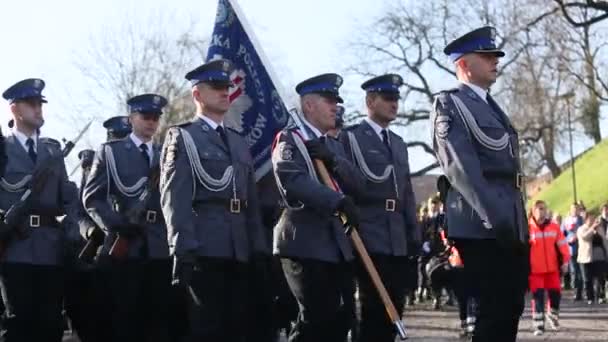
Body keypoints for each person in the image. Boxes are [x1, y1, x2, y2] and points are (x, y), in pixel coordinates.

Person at [430, 26, 529, 342]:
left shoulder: (489, 105)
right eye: (486, 56)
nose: (494, 61)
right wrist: (496, 217)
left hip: (507, 218)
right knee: (493, 311)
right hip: (482, 223)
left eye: (495, 55)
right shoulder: (451, 104)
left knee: (509, 307)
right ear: (463, 64)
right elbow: (462, 169)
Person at [161, 59, 266, 341]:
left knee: (238, 329)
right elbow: (175, 197)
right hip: (204, 247)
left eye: (227, 87)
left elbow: (250, 202)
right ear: (197, 94)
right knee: (208, 330)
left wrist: (258, 247)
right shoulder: (183, 137)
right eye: (217, 87)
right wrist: (182, 247)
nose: (225, 92)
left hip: (239, 247)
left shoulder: (238, 141)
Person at [272, 73, 366, 342]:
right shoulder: (290, 139)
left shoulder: (333, 145)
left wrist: (333, 160)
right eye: (328, 100)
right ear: (309, 105)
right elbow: (293, 180)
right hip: (303, 243)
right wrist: (336, 200)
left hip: (337, 246)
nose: (335, 106)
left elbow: (360, 185)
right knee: (316, 321)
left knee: (342, 320)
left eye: (336, 101)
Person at [83, 94, 176, 342]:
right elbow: (92, 198)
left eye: (156, 117)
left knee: (158, 321)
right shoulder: (111, 152)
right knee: (125, 319)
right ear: (131, 118)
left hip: (159, 247)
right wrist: (117, 224)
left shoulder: (166, 155)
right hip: (125, 248)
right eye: (146, 116)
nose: (151, 122)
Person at [338, 74, 419, 342]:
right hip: (368, 233)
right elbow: (346, 186)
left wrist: (413, 233)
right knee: (373, 310)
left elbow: (406, 191)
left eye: (396, 98)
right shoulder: (350, 139)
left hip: (396, 236)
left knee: (396, 308)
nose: (394, 104)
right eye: (387, 98)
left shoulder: (397, 143)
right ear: (370, 101)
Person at [0, 78, 80, 341]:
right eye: (31, 104)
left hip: (49, 248)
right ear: (15, 110)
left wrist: (70, 231)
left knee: (51, 324)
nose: (38, 109)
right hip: (13, 248)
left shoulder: (52, 151)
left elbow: (69, 196)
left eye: (39, 104)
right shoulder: (3, 149)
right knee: (18, 323)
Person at [528, 200, 570, 336]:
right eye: (540, 209)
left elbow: (563, 245)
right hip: (535, 271)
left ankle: (552, 315)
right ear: (533, 211)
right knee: (538, 297)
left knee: (556, 295)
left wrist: (565, 261)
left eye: (544, 209)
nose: (543, 211)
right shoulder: (527, 228)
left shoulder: (554, 227)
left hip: (552, 269)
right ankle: (539, 325)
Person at [576, 214, 608, 305]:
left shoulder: (599, 229)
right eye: (590, 219)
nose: (593, 221)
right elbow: (584, 237)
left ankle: (600, 296)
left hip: (599, 257)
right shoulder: (581, 229)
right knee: (587, 279)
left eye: (593, 219)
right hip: (585, 258)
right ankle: (590, 297)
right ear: (586, 220)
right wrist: (592, 229)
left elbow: (605, 241)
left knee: (600, 278)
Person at [564, 203, 584, 300]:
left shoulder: (581, 219)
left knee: (580, 272)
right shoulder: (566, 220)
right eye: (573, 209)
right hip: (570, 249)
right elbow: (562, 234)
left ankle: (580, 292)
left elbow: (584, 229)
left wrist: (577, 236)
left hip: (581, 249)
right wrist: (567, 240)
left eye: (577, 209)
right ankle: (576, 292)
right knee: (574, 271)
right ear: (570, 209)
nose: (575, 210)